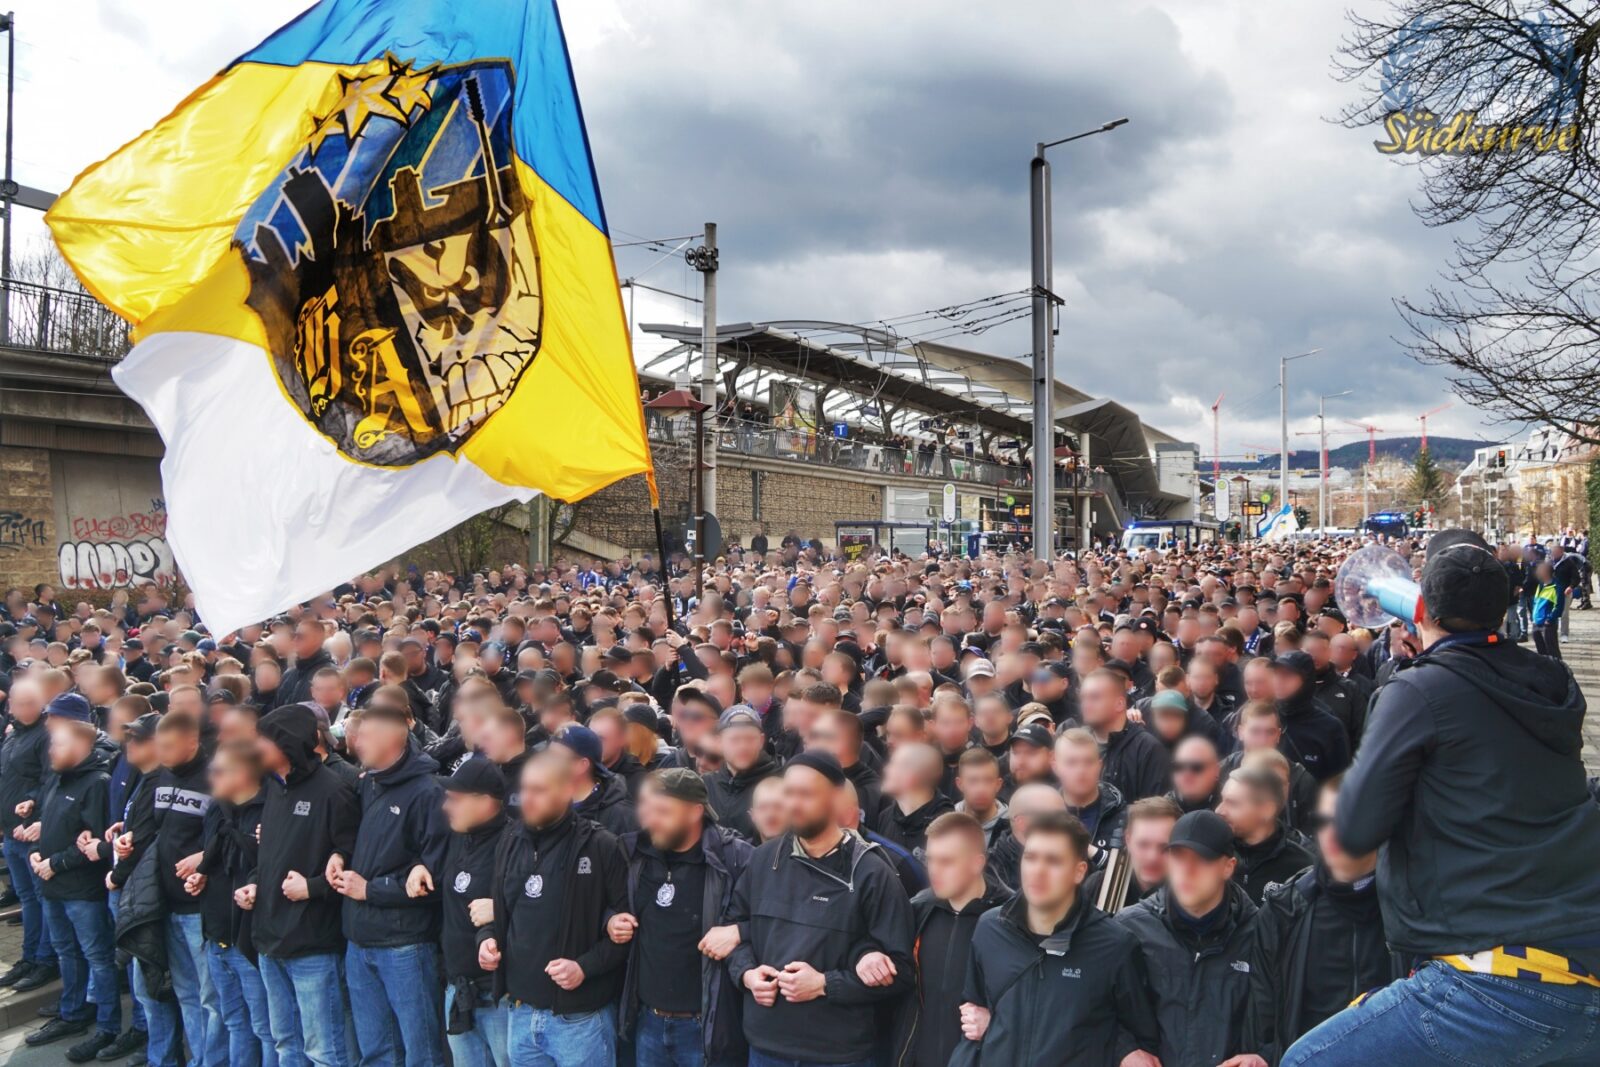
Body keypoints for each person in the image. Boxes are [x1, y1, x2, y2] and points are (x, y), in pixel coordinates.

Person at [1287, 531, 1600, 1066]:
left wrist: (1409, 675)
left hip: (1498, 981)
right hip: (1581, 964)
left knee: (1307, 1060)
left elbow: (1358, 828)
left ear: (1420, 605)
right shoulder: (1551, 680)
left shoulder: (1418, 690)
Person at [722, 753, 915, 1067]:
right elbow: (735, 927)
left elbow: (902, 972)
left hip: (838, 1054)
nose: (793, 804)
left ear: (835, 799)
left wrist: (825, 984)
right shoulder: (763, 859)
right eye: (789, 793)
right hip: (765, 1047)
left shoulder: (871, 872)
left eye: (806, 794)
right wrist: (746, 974)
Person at [954, 811, 1160, 1066]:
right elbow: (973, 1012)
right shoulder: (990, 928)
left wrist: (1122, 1050)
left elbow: (1140, 1040)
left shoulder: (1115, 945)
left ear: (1079, 871)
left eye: (1053, 861)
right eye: (1031, 858)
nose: (1038, 871)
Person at [477, 750, 630, 1067]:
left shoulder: (601, 846)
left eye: (540, 791)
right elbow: (501, 912)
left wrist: (584, 968)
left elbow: (627, 934)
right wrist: (487, 940)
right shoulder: (510, 840)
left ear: (567, 792)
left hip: (579, 1021)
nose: (528, 799)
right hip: (519, 1011)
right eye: (526, 789)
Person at [610, 768, 754, 1067]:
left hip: (706, 1027)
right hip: (647, 1021)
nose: (652, 820)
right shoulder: (633, 852)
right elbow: (603, 902)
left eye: (663, 811)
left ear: (695, 812)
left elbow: (775, 920)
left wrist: (741, 930)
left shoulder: (735, 858)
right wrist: (610, 919)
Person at [1248, 780, 1398, 1065]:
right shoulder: (1283, 911)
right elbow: (1264, 1021)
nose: (1332, 832)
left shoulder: (1412, 909)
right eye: (1323, 821)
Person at [333, 699, 449, 1066]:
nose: (356, 743)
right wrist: (339, 855)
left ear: (392, 740)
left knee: (421, 1051)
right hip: (359, 937)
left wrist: (369, 890)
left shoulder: (429, 793)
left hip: (405, 945)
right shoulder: (368, 784)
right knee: (376, 1052)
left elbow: (433, 877)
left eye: (365, 736)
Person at [252, 702, 361, 1067]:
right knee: (286, 1043)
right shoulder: (273, 788)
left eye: (263, 742)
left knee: (323, 1051)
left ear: (286, 744)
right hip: (270, 939)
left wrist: (312, 888)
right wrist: (256, 884)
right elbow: (272, 857)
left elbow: (353, 862)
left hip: (312, 945)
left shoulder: (334, 791)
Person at [1115, 810, 1260, 1067]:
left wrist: (1261, 1056)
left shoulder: (1259, 934)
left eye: (1202, 859)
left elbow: (1281, 1019)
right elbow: (1094, 1009)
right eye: (1179, 857)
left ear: (1228, 867)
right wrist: (1124, 1051)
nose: (1187, 870)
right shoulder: (1130, 928)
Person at [22, 693, 120, 1057]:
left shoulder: (97, 782)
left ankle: (108, 1027)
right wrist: (36, 853)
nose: (50, 751)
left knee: (97, 957)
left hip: (81, 891)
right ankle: (73, 1012)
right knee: (66, 952)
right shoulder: (57, 779)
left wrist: (56, 863)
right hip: (51, 884)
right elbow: (49, 828)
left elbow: (94, 842)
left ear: (79, 744)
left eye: (58, 745)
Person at [889, 812, 1011, 1067]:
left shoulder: (1011, 919)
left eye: (946, 861)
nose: (934, 870)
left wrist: (998, 1023)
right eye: (931, 860)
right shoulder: (918, 909)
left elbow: (1039, 1002)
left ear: (977, 863)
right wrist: (869, 954)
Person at [150, 709, 227, 1067]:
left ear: (193, 742)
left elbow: (229, 836)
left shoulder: (216, 778)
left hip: (199, 908)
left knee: (212, 998)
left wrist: (204, 858)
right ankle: (197, 1059)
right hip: (167, 904)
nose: (161, 753)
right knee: (185, 994)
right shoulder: (162, 775)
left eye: (169, 746)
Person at [194, 738, 275, 1067]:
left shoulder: (270, 809)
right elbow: (212, 857)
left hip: (249, 941)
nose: (211, 778)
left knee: (266, 1029)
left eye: (219, 771)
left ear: (243, 773)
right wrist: (201, 874)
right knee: (234, 1022)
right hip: (217, 935)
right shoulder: (218, 809)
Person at [436, 758, 512, 1067]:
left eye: (455, 800)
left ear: (484, 802)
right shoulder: (458, 836)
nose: (446, 806)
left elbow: (542, 907)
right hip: (457, 989)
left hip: (498, 997)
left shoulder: (514, 843)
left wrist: (500, 910)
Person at [0, 677, 59, 994]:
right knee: (27, 901)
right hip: (11, 832)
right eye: (12, 703)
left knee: (41, 900)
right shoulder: (13, 734)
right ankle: (30, 956)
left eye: (20, 703)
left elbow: (50, 781)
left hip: (32, 836)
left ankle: (45, 959)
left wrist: (34, 813)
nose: (12, 708)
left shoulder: (45, 736)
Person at [1217, 764, 1313, 905]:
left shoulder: (1303, 870)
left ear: (1266, 810)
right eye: (1222, 800)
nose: (1219, 810)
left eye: (1232, 803)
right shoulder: (1210, 852)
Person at [1078, 669, 1170, 800]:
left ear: (1119, 704)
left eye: (1094, 697)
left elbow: (1154, 811)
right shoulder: (1076, 743)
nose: (1086, 705)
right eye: (1083, 698)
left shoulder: (1147, 749)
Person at [1083, 795, 1179, 910]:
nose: (1152, 857)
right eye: (1143, 845)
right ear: (1128, 840)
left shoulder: (1189, 894)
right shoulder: (1099, 885)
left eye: (1164, 847)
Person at [703, 706, 782, 842]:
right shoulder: (705, 786)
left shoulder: (780, 784)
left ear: (761, 741)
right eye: (734, 740)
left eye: (750, 739)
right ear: (720, 742)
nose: (743, 746)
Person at [1053, 727, 1129, 854]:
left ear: (1100, 766)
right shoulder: (1044, 815)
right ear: (1055, 767)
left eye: (1088, 762)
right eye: (1071, 763)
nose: (1081, 770)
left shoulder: (1123, 817)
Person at [875, 742, 955, 861]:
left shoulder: (948, 827)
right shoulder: (885, 817)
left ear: (912, 775)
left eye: (894, 764)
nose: (886, 769)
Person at [952, 748, 1008, 847]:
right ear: (960, 784)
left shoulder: (1012, 828)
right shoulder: (946, 824)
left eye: (988, 780)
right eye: (973, 781)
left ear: (998, 785)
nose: (981, 789)